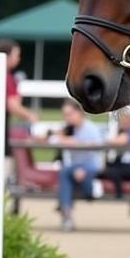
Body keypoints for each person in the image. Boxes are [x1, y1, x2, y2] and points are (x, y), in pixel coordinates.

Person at [0, 39, 39, 158]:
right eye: (16, 55)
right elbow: (12, 105)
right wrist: (30, 115)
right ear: (6, 56)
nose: (18, 58)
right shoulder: (5, 77)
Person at [51, 99, 103, 232]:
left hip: (90, 169)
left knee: (65, 173)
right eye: (65, 115)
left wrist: (82, 168)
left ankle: (65, 211)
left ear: (79, 113)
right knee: (65, 173)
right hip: (75, 170)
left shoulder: (90, 128)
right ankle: (66, 213)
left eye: (70, 114)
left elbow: (97, 150)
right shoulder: (69, 129)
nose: (67, 118)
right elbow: (53, 139)